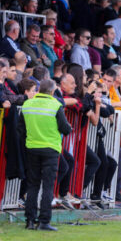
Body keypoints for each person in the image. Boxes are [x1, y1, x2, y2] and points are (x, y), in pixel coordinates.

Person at [18, 79, 72, 231]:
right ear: (53, 91)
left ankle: (29, 221)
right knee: (47, 186)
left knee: (32, 185)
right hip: (50, 149)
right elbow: (65, 128)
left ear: (39, 89)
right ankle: (44, 222)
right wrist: (69, 128)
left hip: (32, 148)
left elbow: (20, 128)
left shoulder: (27, 104)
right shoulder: (56, 105)